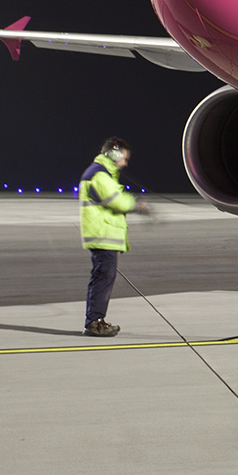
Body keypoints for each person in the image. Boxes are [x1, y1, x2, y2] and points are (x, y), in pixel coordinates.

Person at [79, 137, 148, 337]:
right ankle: (95, 323)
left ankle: (95, 320)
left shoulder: (101, 173)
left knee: (102, 277)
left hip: (103, 234)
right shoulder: (99, 175)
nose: (125, 163)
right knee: (103, 278)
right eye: (124, 158)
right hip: (103, 235)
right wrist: (137, 205)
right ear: (114, 154)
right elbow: (116, 201)